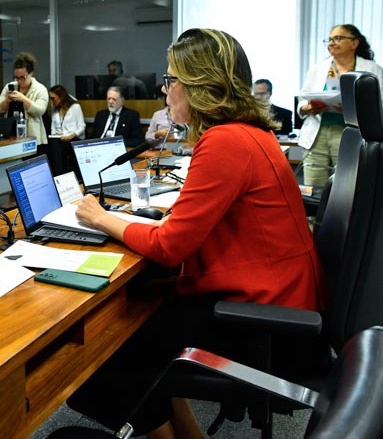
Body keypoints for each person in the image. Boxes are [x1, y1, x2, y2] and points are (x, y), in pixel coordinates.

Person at [69, 29, 326, 438]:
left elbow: (170, 246)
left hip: (266, 324)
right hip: (282, 305)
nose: (165, 91)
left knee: (103, 357)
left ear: (198, 85)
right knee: (139, 323)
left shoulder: (225, 141)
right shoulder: (250, 132)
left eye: (170, 80)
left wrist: (100, 217)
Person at [297, 24, 382, 186]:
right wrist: (307, 107)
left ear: (354, 43)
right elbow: (302, 99)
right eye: (329, 40)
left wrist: (352, 108)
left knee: (346, 187)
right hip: (317, 134)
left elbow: (379, 104)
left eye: (338, 38)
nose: (332, 43)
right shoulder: (318, 68)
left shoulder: (372, 70)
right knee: (313, 188)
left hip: (351, 133)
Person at [0, 52, 49, 145]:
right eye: (16, 77)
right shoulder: (9, 87)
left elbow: (40, 111)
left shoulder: (41, 89)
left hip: (31, 136)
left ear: (31, 73)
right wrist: (7, 101)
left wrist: (23, 98)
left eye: (22, 78)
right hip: (10, 134)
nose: (19, 81)